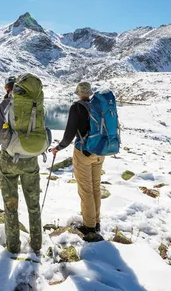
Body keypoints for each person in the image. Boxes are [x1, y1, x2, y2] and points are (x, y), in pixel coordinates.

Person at [0, 76, 42, 255]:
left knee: (10, 204)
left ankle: (13, 246)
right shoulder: (32, 104)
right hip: (30, 159)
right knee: (34, 203)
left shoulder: (3, 106)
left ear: (7, 88)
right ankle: (36, 244)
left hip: (9, 161)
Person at [52, 81, 104, 241]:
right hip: (100, 151)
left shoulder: (77, 107)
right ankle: (96, 222)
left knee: (85, 189)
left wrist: (58, 147)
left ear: (78, 92)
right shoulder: (98, 106)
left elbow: (69, 134)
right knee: (95, 187)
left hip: (84, 152)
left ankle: (89, 227)